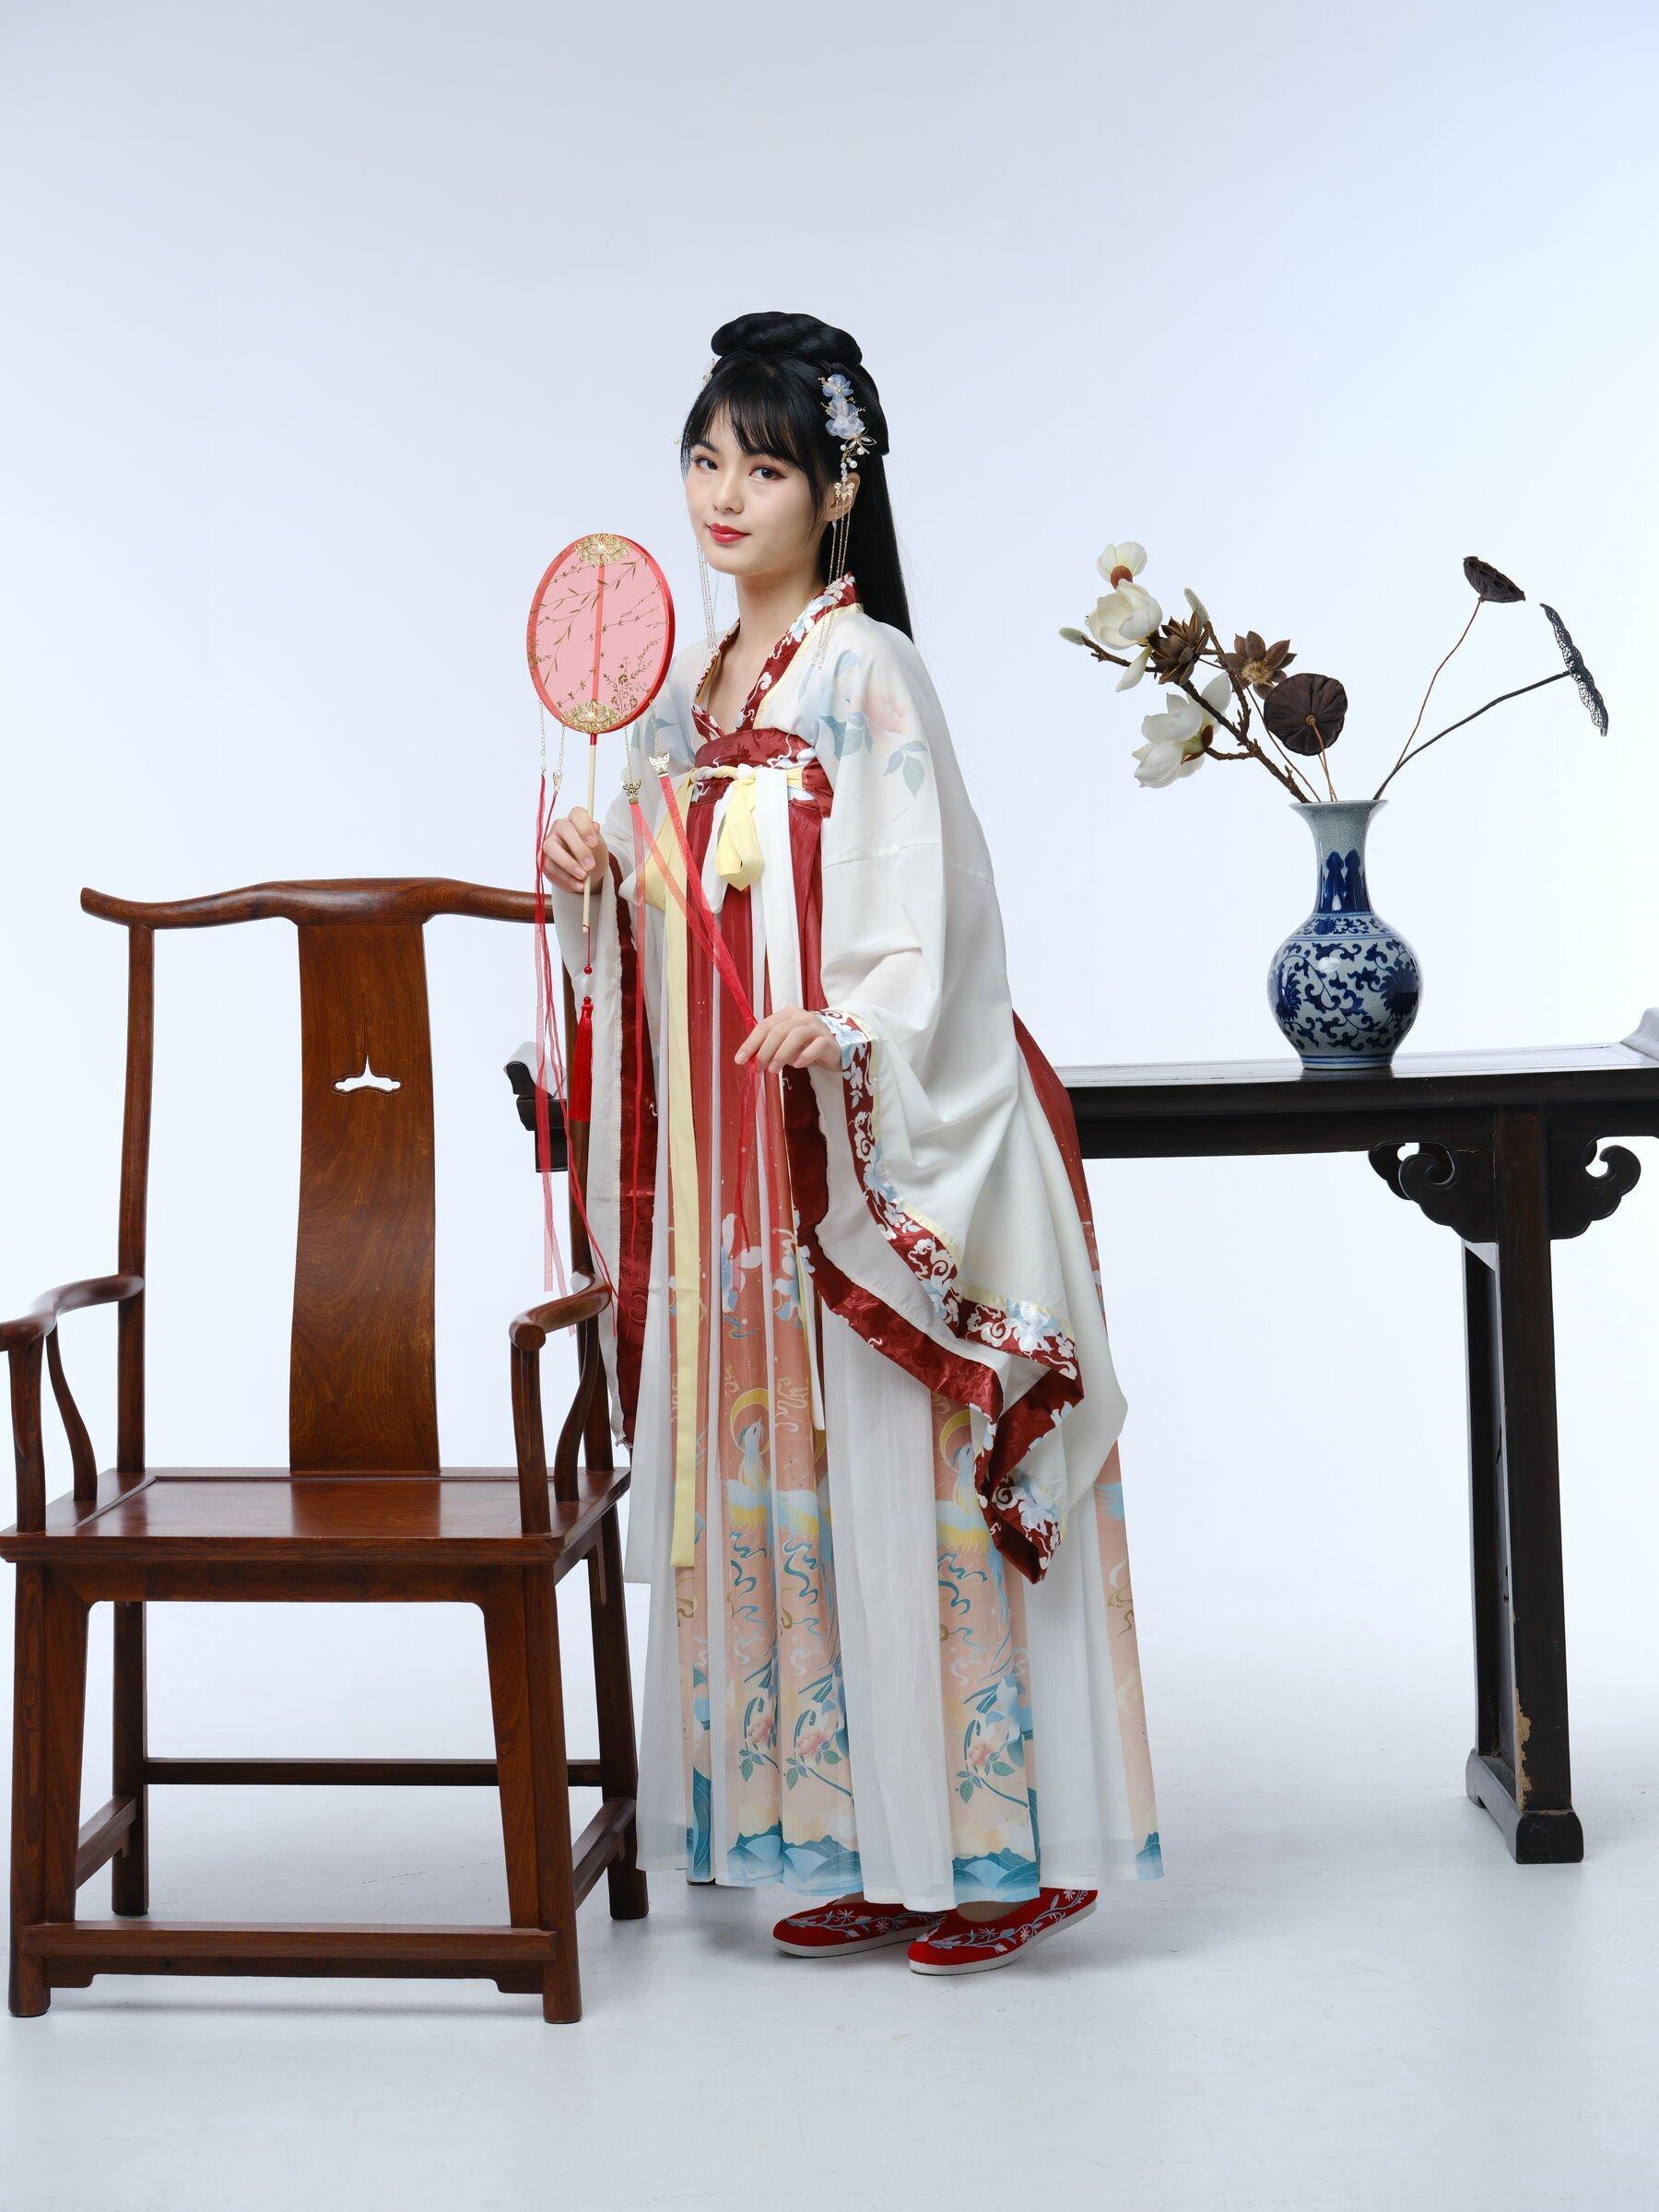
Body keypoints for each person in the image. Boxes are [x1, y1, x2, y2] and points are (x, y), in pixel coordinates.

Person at [539, 311, 1160, 1975]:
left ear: (837, 492)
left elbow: (931, 893)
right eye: (704, 460)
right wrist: (600, 878)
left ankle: (1005, 1854)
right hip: (751, 1161)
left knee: (911, 1477)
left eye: (763, 467)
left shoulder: (864, 667)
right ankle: (884, 1844)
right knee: (810, 1495)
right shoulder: (689, 697)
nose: (722, 495)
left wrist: (861, 1021)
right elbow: (674, 920)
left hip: (873, 1153)